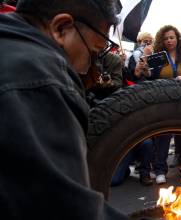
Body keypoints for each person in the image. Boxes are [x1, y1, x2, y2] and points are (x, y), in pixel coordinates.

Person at [0, 0, 128, 219]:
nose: (91, 65)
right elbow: (65, 209)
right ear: (61, 28)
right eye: (94, 51)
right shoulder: (40, 79)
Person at [149, 25, 181, 185]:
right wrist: (144, 71)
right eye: (165, 38)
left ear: (177, 38)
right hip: (164, 101)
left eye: (171, 37)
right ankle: (159, 170)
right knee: (163, 136)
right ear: (161, 41)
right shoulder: (157, 57)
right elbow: (151, 79)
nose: (169, 41)